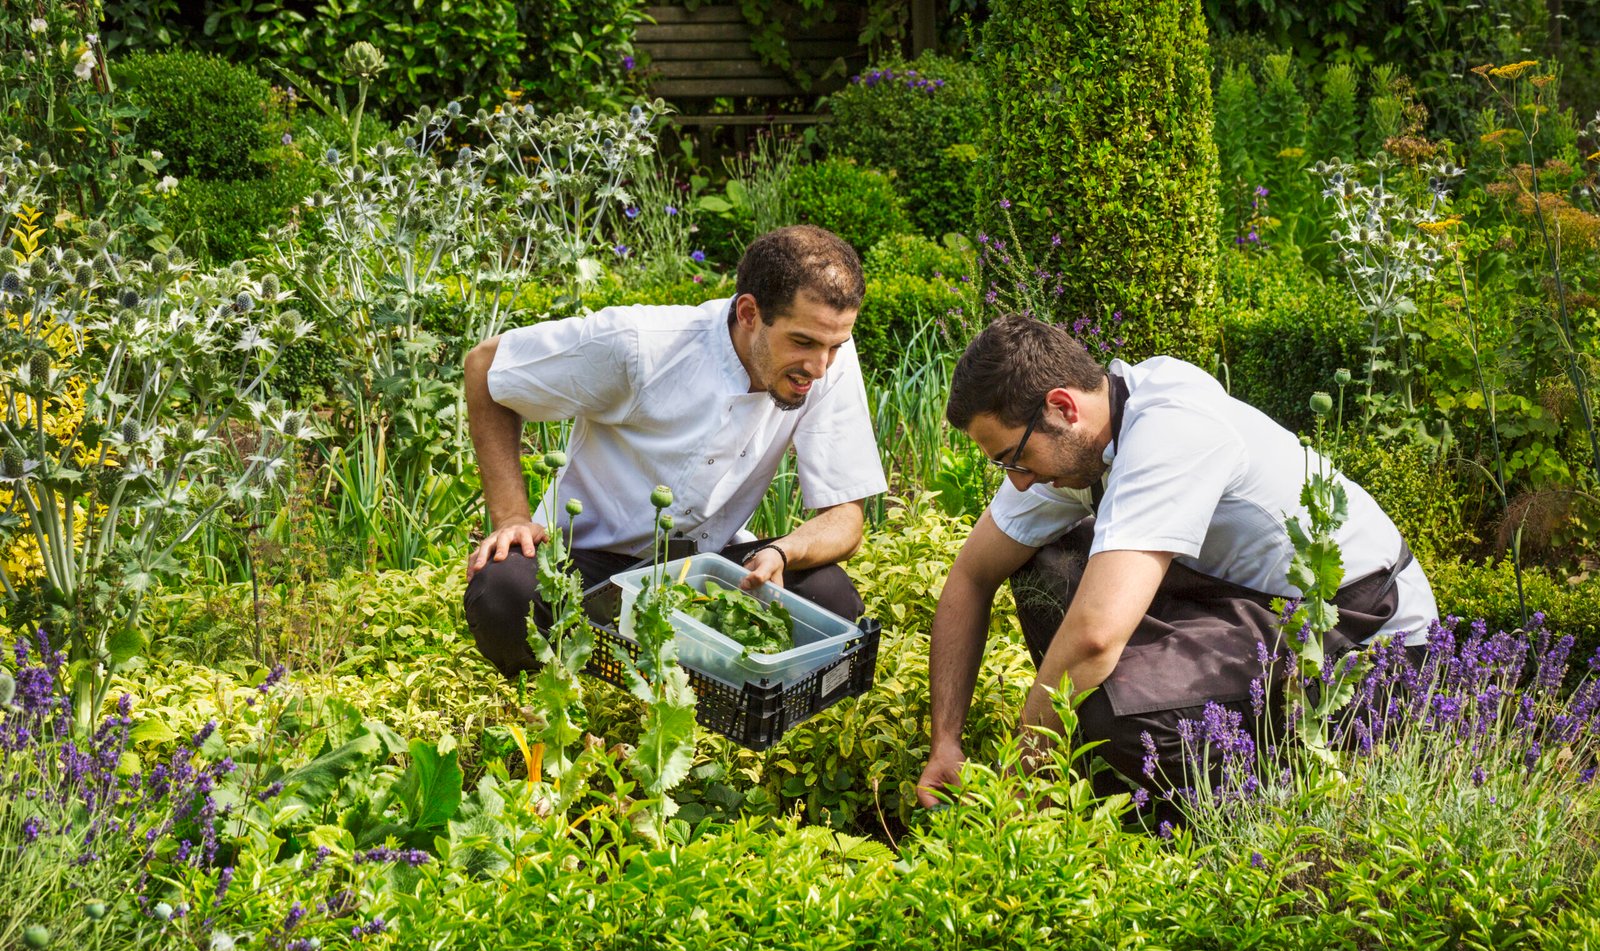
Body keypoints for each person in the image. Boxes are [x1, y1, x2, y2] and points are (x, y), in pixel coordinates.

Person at [916, 313, 1438, 809]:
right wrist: (945, 743)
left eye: (1014, 457)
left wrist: (1019, 778)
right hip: (1246, 602)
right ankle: (1119, 762)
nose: (1018, 482)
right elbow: (972, 575)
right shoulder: (1083, 442)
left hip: (1364, 642)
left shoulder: (1170, 426)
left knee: (1111, 704)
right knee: (1044, 566)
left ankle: (1256, 806)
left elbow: (1095, 638)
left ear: (1062, 408)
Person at [462, 225, 887, 679]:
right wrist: (511, 517)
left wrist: (783, 552)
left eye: (835, 346)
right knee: (504, 590)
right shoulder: (640, 344)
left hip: (704, 573)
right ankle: (572, 679)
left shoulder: (827, 362)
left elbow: (846, 517)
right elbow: (486, 367)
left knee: (830, 596)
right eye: (803, 342)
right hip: (588, 566)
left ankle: (683, 676)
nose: (819, 368)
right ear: (749, 312)